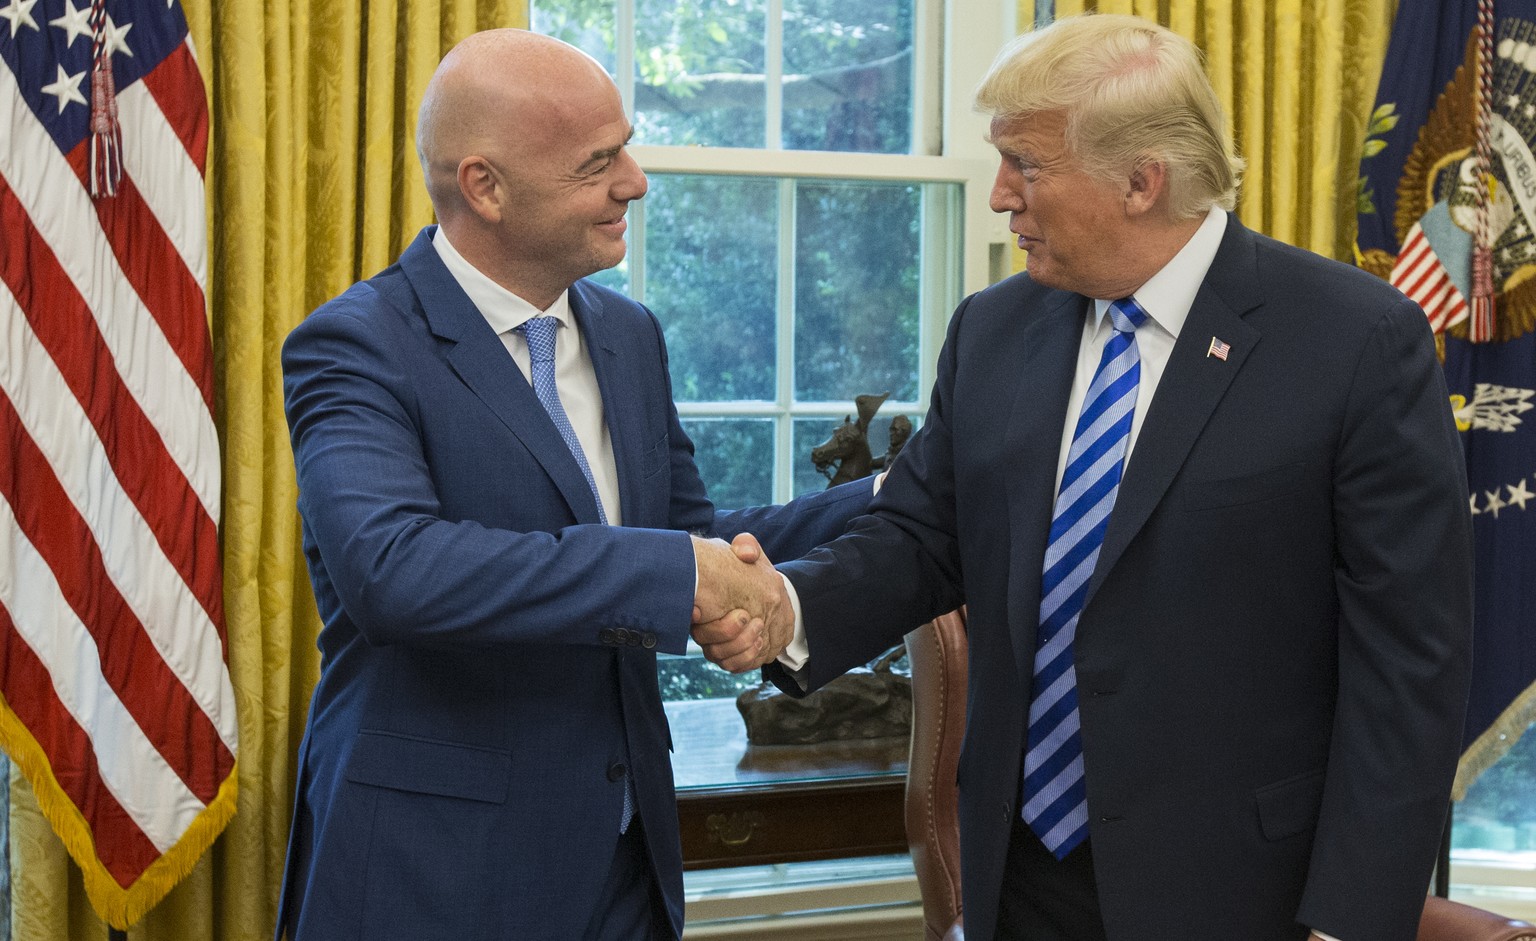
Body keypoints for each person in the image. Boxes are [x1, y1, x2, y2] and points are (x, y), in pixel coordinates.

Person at [707, 13, 1474, 941]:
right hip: (1022, 873)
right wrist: (786, 612)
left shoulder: (1354, 340)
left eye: (1023, 164)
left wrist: (1349, 922)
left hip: (1245, 889)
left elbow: (1409, 665)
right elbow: (919, 536)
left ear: (1141, 181)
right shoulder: (994, 331)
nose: (999, 197)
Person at [275, 29, 871, 941]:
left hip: (626, 864)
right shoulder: (357, 346)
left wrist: (896, 499)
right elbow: (395, 570)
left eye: (625, 146)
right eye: (599, 162)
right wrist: (684, 577)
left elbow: (688, 533)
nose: (634, 180)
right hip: (435, 870)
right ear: (485, 186)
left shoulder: (630, 335)